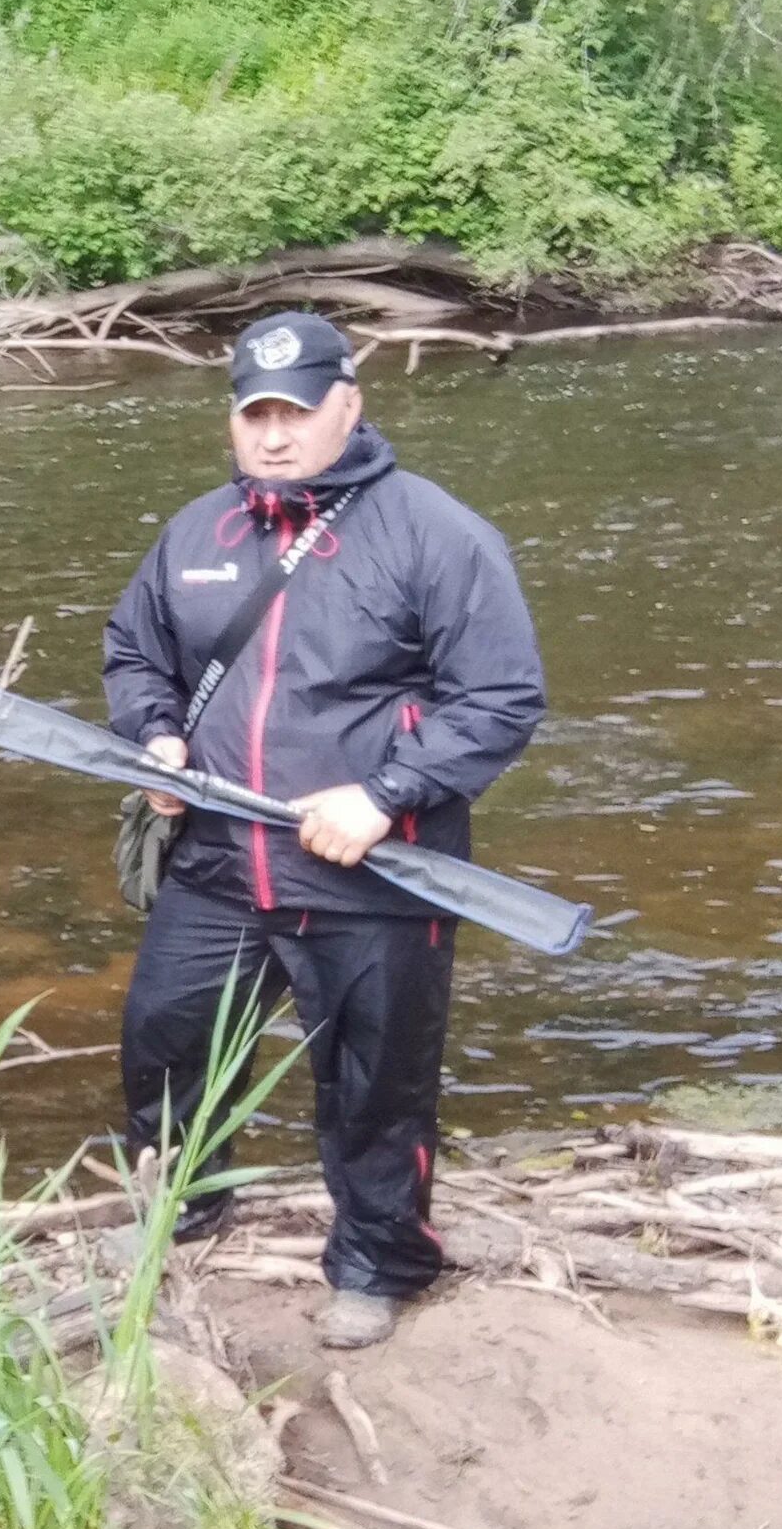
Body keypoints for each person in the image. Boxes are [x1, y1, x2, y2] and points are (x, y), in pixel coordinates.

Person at [103, 310, 546, 1349]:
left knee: (375, 1081)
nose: (273, 433)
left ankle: (379, 1261)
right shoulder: (196, 536)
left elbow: (500, 698)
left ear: (348, 405)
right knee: (163, 1043)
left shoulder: (436, 533)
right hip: (216, 857)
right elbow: (135, 655)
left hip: (375, 871)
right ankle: (187, 1203)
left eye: (295, 411)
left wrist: (384, 793)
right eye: (254, 412)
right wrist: (157, 740)